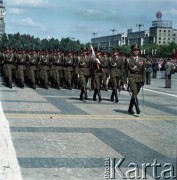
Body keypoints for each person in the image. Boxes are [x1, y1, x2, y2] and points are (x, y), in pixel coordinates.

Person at [126, 44, 146, 114]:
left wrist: (143, 80)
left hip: (140, 78)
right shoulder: (129, 60)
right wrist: (126, 80)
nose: (136, 51)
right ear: (132, 51)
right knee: (134, 93)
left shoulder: (142, 59)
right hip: (132, 77)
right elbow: (126, 70)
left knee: (135, 95)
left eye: (137, 50)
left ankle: (130, 108)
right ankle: (137, 108)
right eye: (135, 50)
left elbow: (143, 71)